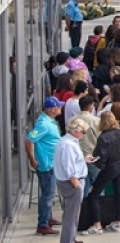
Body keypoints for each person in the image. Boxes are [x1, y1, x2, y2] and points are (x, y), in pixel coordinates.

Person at [82, 111, 120, 236]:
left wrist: (99, 164)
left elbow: (101, 156)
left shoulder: (103, 137)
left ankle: (97, 224)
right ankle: (117, 221)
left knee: (94, 194)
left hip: (110, 167)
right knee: (119, 192)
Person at [25, 97, 65, 235]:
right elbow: (29, 140)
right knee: (47, 195)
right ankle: (42, 224)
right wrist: (32, 159)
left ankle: (47, 218)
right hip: (47, 164)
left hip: (51, 163)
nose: (60, 108)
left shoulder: (49, 121)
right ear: (51, 109)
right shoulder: (43, 124)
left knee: (49, 194)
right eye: (58, 106)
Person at [54, 118, 92, 243]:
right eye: (83, 132)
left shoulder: (67, 142)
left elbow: (72, 162)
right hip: (72, 183)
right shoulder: (68, 145)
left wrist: (83, 160)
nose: (84, 135)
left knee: (72, 213)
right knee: (71, 214)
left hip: (73, 181)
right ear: (76, 131)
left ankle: (70, 238)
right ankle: (68, 240)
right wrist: (77, 186)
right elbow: (69, 168)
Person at [70, 96, 101, 196]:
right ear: (91, 106)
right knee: (99, 184)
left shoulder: (72, 121)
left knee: (83, 185)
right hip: (93, 155)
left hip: (77, 157)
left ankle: (84, 207)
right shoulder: (96, 121)